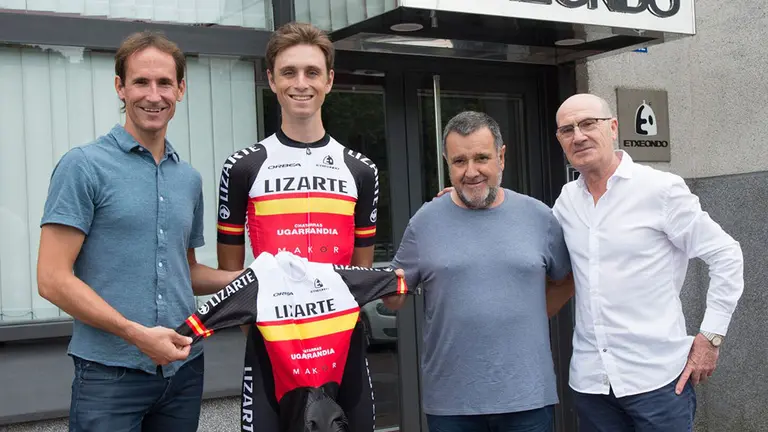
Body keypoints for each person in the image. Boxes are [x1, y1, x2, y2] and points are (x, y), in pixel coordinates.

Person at [37, 31, 241, 432]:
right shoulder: (83, 167)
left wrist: (248, 278)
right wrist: (135, 334)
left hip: (184, 371)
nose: (154, 95)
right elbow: (52, 279)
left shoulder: (188, 179)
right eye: (141, 82)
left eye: (165, 82)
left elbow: (187, 272)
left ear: (180, 89)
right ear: (120, 88)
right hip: (109, 374)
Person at [215, 22, 386, 431]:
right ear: (271, 80)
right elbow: (232, 277)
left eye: (312, 72)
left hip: (343, 347)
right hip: (270, 349)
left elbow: (358, 276)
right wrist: (273, 329)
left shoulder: (361, 170)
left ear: (329, 80)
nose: (301, 83)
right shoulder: (243, 167)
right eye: (289, 72)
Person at [552, 93, 744, 431]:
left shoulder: (660, 189)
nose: (578, 135)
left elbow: (726, 254)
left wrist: (711, 337)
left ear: (612, 128)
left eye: (587, 124)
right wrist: (466, 206)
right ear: (560, 141)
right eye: (567, 129)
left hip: (657, 382)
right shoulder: (567, 201)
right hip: (592, 383)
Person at [389, 111, 574, 432]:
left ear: (501, 157)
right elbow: (395, 297)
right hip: (451, 402)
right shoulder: (425, 221)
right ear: (447, 163)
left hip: (526, 397)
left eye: (482, 158)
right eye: (459, 161)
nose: (471, 171)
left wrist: (533, 311)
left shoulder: (538, 216)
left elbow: (566, 278)